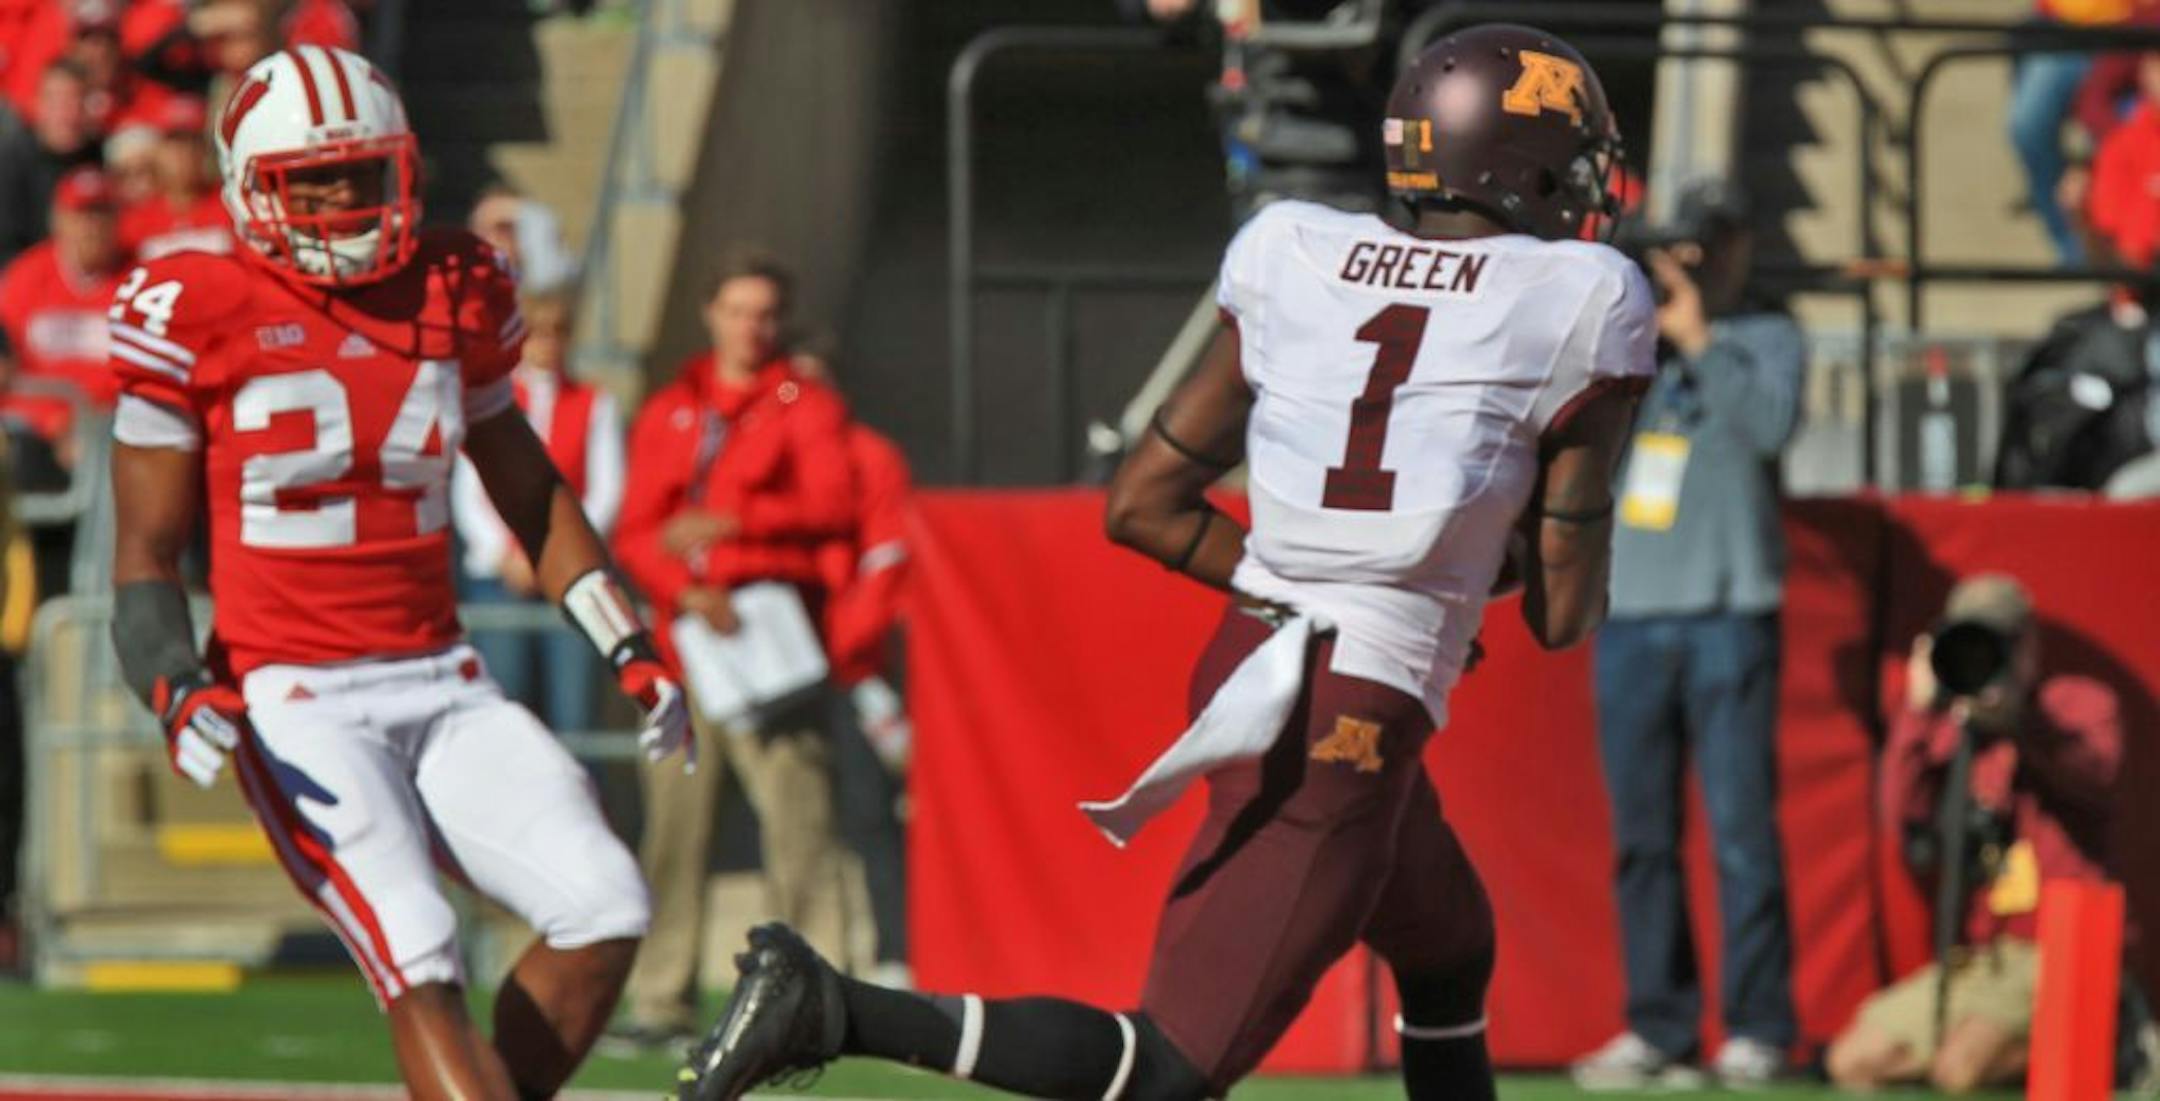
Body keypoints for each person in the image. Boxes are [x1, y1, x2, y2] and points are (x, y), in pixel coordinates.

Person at [678, 22, 1653, 1101]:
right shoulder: (1582, 296)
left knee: (1448, 943)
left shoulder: (1300, 251)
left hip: (1254, 656)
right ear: (1515, 158)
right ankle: (832, 1007)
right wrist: (1471, 560)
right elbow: (1566, 610)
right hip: (1350, 711)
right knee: (1169, 1070)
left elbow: (1142, 506)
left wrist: (1331, 581)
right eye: (1571, 153)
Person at [105, 46, 691, 1101]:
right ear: (249, 186)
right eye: (309, 179)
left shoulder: (456, 288)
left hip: (441, 678)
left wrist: (628, 642)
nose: (340, 199)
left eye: (361, 172)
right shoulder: (191, 307)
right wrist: (171, 679)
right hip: (295, 698)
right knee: (420, 948)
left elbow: (531, 490)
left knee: (606, 908)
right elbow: (143, 552)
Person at [1569, 178, 1806, 1089]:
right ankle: (1660, 1026)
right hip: (1631, 615)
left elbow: (1770, 424)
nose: (1690, 266)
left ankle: (1758, 1025)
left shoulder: (1766, 337)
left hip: (1729, 611)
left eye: (1707, 247)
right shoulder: (1630, 351)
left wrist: (1700, 331)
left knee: (1742, 830)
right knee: (1643, 836)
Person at [611, 250, 858, 1052]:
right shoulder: (672, 406)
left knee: (798, 821)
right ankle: (661, 996)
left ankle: (822, 993)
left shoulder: (805, 404)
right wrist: (685, 590)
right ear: (711, 314)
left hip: (765, 643)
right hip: (686, 649)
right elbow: (634, 529)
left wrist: (736, 529)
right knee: (675, 830)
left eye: (764, 313)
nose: (751, 327)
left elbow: (831, 504)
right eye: (737, 310)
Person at [1826, 575, 2120, 1094]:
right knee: (1853, 1061)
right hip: (1981, 959)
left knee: (1960, 1073)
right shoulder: (1953, 727)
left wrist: (2019, 722)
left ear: (2027, 644)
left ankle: (2106, 1036)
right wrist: (1920, 711)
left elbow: (2096, 776)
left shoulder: (2074, 704)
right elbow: (1903, 818)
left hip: (2057, 953)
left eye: (1997, 642)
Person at [450, 285, 623, 733]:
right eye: (537, 332)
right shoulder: (492, 396)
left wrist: (559, 554)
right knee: (503, 709)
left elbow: (605, 492)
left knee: (574, 715)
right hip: (501, 572)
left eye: (558, 331)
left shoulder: (593, 402)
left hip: (570, 576)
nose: (547, 343)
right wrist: (512, 551)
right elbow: (471, 487)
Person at [0, 165, 128, 459]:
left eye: (101, 214)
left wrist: (87, 423)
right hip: (32, 428)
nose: (91, 227)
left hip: (107, 428)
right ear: (58, 220)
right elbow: (8, 370)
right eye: (82, 215)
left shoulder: (135, 281)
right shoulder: (25, 277)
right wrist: (53, 421)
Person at [0, 59, 99, 266]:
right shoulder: (10, 165)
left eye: (79, 100)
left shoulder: (101, 158)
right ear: (39, 104)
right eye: (60, 101)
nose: (70, 114)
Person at [118, 95, 231, 261]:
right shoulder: (135, 223)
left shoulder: (231, 207)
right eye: (173, 144)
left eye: (190, 143)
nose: (182, 155)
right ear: (157, 152)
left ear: (204, 149)